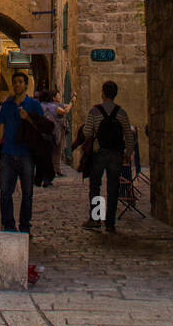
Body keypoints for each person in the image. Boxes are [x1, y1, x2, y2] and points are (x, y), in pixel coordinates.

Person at [0, 71, 43, 236]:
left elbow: (41, 128)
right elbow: (1, 129)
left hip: (26, 154)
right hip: (8, 154)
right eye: (15, 82)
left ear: (26, 85)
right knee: (5, 192)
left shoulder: (34, 105)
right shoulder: (7, 106)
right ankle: (9, 225)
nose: (17, 85)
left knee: (27, 193)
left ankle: (25, 226)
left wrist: (28, 119)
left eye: (20, 82)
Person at [80, 80, 134, 234]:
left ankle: (96, 218)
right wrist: (128, 153)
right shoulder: (121, 113)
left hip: (99, 153)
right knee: (113, 188)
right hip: (116, 154)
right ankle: (110, 222)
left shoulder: (95, 111)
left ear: (103, 92)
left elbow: (87, 132)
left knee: (95, 186)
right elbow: (128, 135)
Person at [41, 87, 71, 181]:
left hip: (43, 131)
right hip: (54, 131)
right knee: (55, 151)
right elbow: (65, 111)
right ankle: (52, 171)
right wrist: (73, 101)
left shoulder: (40, 105)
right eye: (57, 95)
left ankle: (50, 171)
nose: (59, 97)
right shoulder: (53, 107)